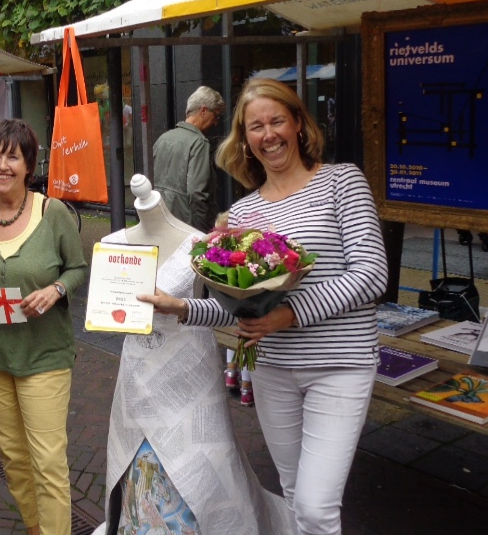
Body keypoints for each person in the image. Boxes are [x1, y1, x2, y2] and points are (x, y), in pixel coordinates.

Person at [141, 78, 388, 535]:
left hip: (339, 364)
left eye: (277, 121)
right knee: (294, 497)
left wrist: (288, 315)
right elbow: (240, 310)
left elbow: (371, 273)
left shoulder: (342, 181)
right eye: (256, 126)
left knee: (316, 508)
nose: (268, 134)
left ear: (298, 123)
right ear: (245, 138)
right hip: (273, 367)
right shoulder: (243, 213)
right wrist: (181, 307)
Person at [96, 174, 291, 534]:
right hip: (138, 368)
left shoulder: (199, 245)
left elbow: (221, 307)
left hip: (190, 367)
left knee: (204, 458)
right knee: (139, 454)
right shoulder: (112, 245)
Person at [0, 119, 87, 535]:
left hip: (44, 355)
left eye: (13, 156)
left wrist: (57, 289)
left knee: (48, 459)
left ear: (28, 164)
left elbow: (78, 267)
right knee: (13, 456)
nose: (3, 165)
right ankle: (36, 527)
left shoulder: (53, 212)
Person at [152, 85, 225, 232]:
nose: (216, 122)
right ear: (203, 111)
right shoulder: (199, 143)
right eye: (216, 116)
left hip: (162, 222)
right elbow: (197, 193)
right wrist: (204, 230)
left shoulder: (163, 139)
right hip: (187, 227)